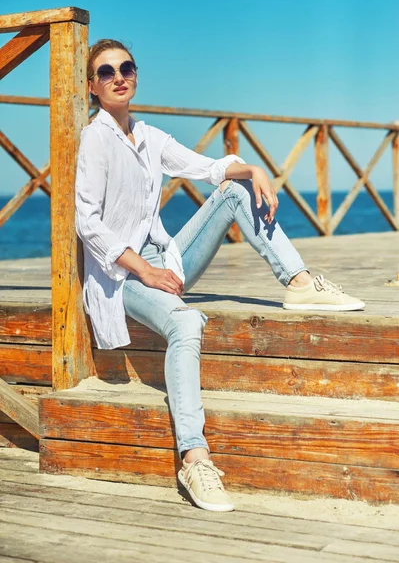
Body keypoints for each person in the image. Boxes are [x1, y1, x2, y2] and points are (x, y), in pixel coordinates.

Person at [75, 38, 365, 513]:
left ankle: (298, 282)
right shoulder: (95, 140)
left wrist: (250, 168)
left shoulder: (148, 137)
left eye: (125, 67)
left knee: (233, 189)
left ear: (136, 74)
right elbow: (88, 223)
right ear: (93, 86)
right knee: (187, 323)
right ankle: (194, 457)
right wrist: (144, 270)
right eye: (106, 73)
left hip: (164, 260)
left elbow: (207, 166)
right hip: (121, 277)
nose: (118, 77)